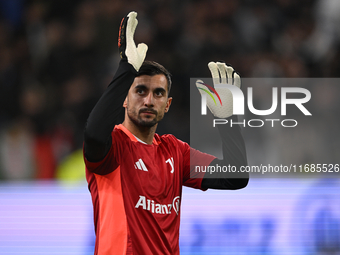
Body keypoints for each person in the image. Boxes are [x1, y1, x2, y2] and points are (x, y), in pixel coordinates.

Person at [83, 11, 248, 255]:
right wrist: (126, 69)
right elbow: (94, 134)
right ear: (124, 100)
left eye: (158, 93)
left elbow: (235, 176)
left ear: (167, 104)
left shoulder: (175, 151)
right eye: (140, 91)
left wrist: (227, 118)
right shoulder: (113, 145)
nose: (149, 100)